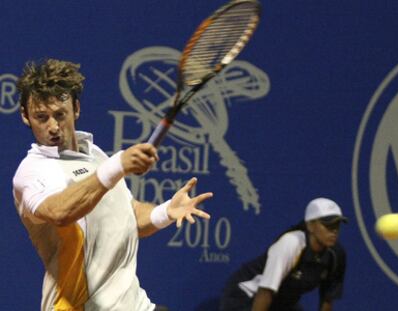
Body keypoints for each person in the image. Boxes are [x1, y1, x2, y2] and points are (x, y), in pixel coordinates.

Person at [12, 58, 213, 311]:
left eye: (59, 114)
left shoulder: (95, 155)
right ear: (25, 116)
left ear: (76, 109)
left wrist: (165, 211)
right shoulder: (32, 171)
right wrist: (117, 166)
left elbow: (129, 217)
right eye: (41, 117)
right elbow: (59, 212)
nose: (52, 126)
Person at [219, 198, 347, 311]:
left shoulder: (336, 255)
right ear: (310, 225)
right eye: (328, 225)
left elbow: (327, 299)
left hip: (280, 303)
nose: (334, 230)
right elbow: (266, 291)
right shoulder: (291, 243)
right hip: (247, 297)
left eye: (337, 225)